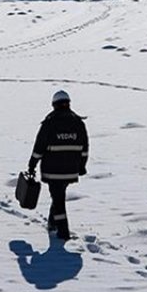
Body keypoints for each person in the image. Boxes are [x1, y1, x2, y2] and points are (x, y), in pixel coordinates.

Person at [27, 90, 88, 240]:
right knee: (58, 196)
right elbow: (85, 148)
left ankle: (63, 232)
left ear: (54, 104)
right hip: (70, 170)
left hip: (52, 171)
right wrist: (81, 166)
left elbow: (39, 147)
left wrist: (32, 164)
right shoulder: (78, 123)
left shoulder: (49, 122)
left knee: (58, 200)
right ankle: (52, 223)